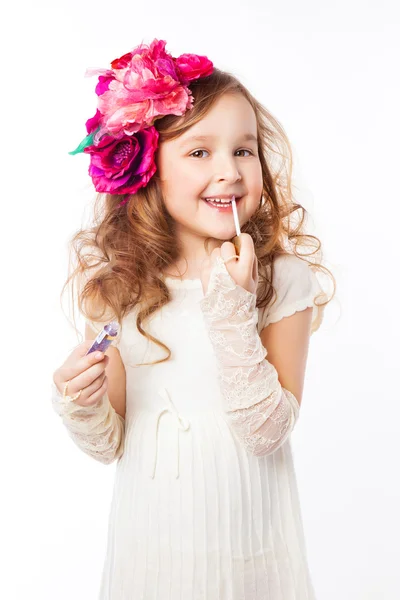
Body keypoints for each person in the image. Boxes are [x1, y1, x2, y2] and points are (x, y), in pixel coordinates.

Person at [51, 38, 335, 599]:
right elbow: (112, 442)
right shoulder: (118, 289)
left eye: (245, 150)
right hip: (151, 549)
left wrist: (231, 307)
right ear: (149, 169)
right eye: (200, 152)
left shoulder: (281, 277)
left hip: (250, 549)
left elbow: (266, 431)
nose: (229, 171)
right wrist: (78, 402)